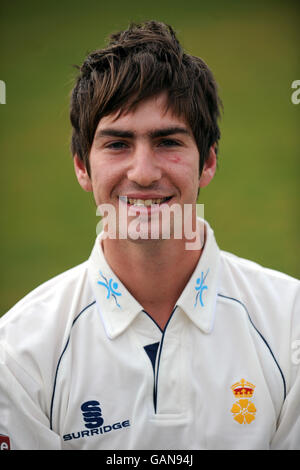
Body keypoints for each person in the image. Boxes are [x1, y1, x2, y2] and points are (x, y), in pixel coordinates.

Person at [0, 21, 299, 451]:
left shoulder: (291, 326)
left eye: (167, 142)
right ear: (82, 167)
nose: (142, 173)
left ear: (208, 161)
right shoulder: (18, 354)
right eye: (118, 144)